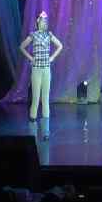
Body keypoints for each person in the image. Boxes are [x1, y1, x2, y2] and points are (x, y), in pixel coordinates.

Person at [20, 11, 63, 140]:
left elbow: (60, 46)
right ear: (38, 22)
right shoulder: (33, 35)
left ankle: (46, 132)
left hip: (46, 70)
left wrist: (52, 58)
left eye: (45, 21)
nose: (44, 22)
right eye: (42, 20)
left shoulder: (49, 35)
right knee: (36, 99)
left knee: (45, 99)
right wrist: (31, 58)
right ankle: (32, 131)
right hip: (36, 70)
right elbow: (21, 47)